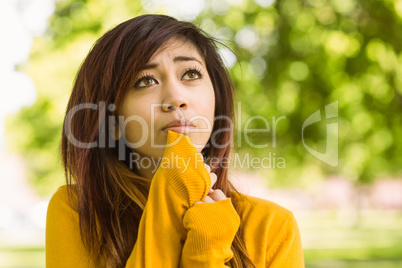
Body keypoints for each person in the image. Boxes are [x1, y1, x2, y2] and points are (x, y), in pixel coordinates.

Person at [46, 14, 305, 268]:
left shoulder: (272, 227)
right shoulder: (78, 211)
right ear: (112, 123)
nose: (176, 97)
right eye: (145, 80)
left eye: (190, 74)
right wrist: (174, 204)